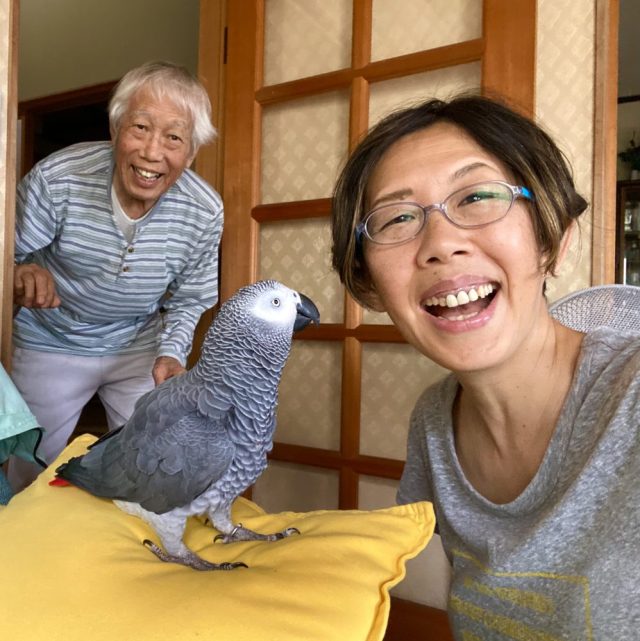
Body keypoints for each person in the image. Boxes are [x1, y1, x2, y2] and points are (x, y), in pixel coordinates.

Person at [331, 94, 640, 638]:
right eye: (398, 217)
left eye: (477, 196)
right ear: (369, 284)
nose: (441, 244)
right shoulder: (434, 421)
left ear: (554, 240)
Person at [9, 61, 223, 492]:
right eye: (140, 128)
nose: (152, 153)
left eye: (174, 137)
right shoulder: (58, 179)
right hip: (50, 339)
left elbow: (190, 297)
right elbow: (6, 256)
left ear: (191, 153)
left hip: (137, 346)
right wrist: (19, 273)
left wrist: (172, 353)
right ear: (115, 129)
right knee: (25, 470)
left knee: (153, 466)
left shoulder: (204, 211)